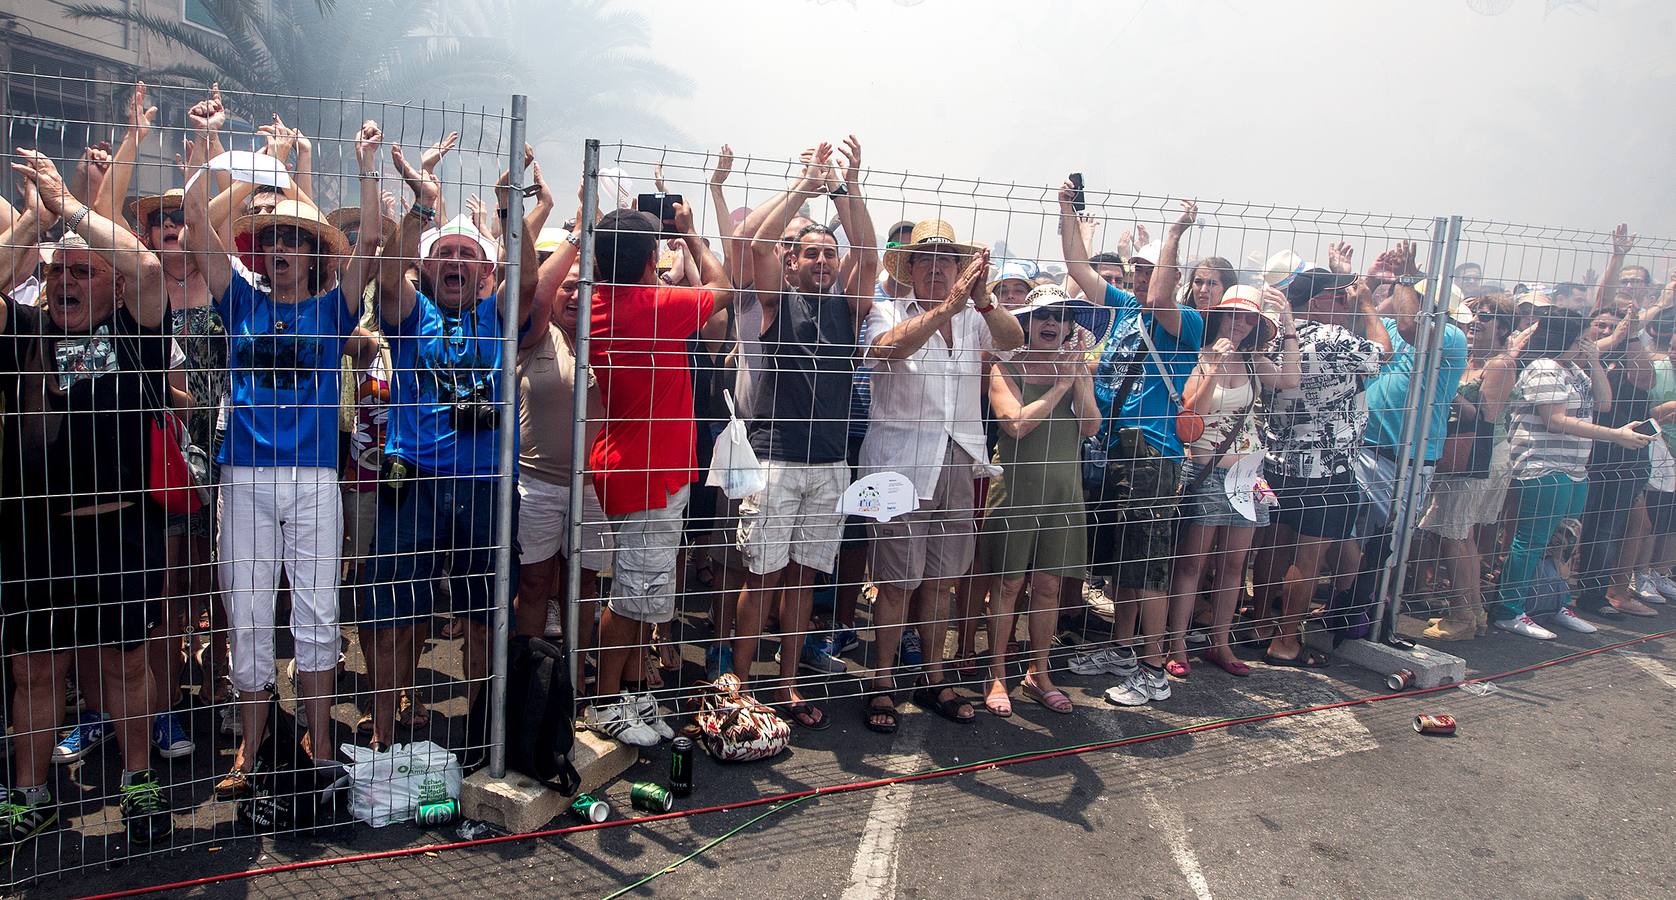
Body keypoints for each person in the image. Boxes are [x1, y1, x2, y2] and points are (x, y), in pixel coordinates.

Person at [183, 118, 383, 794]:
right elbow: (191, 223)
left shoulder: (333, 308)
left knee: (318, 613)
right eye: (271, 242)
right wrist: (252, 172)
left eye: (296, 241)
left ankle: (321, 741)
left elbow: (376, 237)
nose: (281, 252)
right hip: (243, 479)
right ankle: (249, 750)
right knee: (246, 612)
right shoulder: (237, 294)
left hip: (314, 481)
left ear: (315, 255)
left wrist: (362, 165)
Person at [1, 150, 174, 849]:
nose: (64, 282)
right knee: (35, 669)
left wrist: (72, 211)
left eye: (82, 270)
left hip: (121, 530)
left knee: (126, 663)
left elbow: (152, 268)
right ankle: (30, 794)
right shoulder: (22, 333)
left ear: (111, 286)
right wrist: (37, 222)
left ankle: (138, 783)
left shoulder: (136, 333)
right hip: (36, 535)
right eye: (54, 272)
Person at [361, 141, 547, 750]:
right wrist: (422, 205)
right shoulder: (412, 314)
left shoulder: (497, 315)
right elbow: (387, 279)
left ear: (488, 272)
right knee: (398, 614)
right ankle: (385, 734)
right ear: (428, 265)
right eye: (444, 254)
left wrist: (509, 202)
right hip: (412, 483)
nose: (457, 263)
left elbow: (528, 274)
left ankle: (479, 735)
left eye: (469, 256)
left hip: (486, 489)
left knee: (482, 615)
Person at [729, 137, 877, 726]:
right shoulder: (773, 302)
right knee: (761, 576)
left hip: (830, 464)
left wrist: (847, 187)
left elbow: (867, 250)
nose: (821, 261)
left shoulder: (849, 306)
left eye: (827, 254)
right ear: (792, 262)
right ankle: (738, 686)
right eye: (809, 254)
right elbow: (755, 242)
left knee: (803, 579)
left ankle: (788, 683)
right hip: (777, 461)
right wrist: (805, 185)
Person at [859, 220, 1023, 733]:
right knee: (894, 581)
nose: (935, 268)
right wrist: (944, 310)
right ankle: (882, 681)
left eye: (946, 261)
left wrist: (983, 301)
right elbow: (886, 350)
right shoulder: (885, 308)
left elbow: (1014, 343)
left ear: (960, 268)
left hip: (958, 457)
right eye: (924, 260)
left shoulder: (977, 316)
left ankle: (933, 676)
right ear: (907, 268)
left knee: (943, 579)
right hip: (901, 463)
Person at [586, 202, 732, 746]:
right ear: (651, 260)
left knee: (643, 588)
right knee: (631, 596)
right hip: (650, 472)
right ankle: (606, 703)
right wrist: (691, 235)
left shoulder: (595, 303)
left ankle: (629, 693)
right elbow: (724, 285)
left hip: (636, 465)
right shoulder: (657, 304)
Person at [1061, 191, 1203, 709]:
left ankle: (1151, 669)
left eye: (1150, 271)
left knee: (1147, 567)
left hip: (1153, 452)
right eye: (1136, 272)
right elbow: (1076, 266)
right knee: (1123, 563)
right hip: (1115, 448)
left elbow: (1164, 298)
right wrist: (1067, 213)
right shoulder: (1122, 308)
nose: (1142, 280)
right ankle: (1122, 650)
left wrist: (1172, 234)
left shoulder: (1183, 321)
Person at [1249, 255, 1390, 667]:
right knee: (1307, 557)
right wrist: (1367, 304)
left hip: (1279, 460)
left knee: (1274, 547)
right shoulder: (1332, 338)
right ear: (1321, 297)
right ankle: (1286, 640)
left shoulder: (1274, 335)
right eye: (1340, 293)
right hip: (1325, 468)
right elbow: (1385, 351)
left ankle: (1260, 624)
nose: (1345, 300)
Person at [980, 285, 1104, 715]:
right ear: (1026, 323)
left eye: (1060, 315)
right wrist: (1059, 388)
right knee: (1008, 584)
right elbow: (1014, 425)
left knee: (1049, 585)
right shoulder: (1005, 366)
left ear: (1070, 326)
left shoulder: (1075, 368)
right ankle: (996, 674)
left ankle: (1039, 672)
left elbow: (1091, 427)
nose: (1051, 322)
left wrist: (1079, 382)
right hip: (1015, 491)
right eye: (1041, 315)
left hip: (1062, 493)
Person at [1165, 284, 1300, 676]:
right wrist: (1211, 369)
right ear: (1218, 317)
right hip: (1207, 471)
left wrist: (1288, 323)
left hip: (1245, 476)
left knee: (1234, 565)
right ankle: (1177, 644)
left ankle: (1220, 644)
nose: (1239, 324)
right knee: (1192, 563)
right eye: (1233, 316)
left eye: (1248, 319)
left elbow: (1290, 380)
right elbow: (1194, 414)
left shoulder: (1253, 358)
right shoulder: (1203, 356)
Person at [1495, 309, 1652, 638]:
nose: (1589, 340)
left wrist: (1593, 362)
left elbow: (1605, 403)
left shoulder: (1574, 369)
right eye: (1583, 334)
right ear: (1566, 336)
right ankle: (1508, 609)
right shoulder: (1544, 368)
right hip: (1543, 466)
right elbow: (1555, 420)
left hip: (1575, 468)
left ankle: (1556, 602)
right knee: (1532, 541)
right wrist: (1616, 436)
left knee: (1564, 542)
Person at [1416, 293, 1522, 640]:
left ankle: (1462, 617)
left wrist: (1446, 390)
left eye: (1486, 317)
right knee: (1462, 536)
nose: (1475, 321)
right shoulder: (1471, 357)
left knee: (1455, 535)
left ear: (1504, 327)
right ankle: (1472, 612)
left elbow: (1487, 417)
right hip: (1465, 455)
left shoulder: (1499, 365)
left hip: (1479, 456)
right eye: (1474, 314)